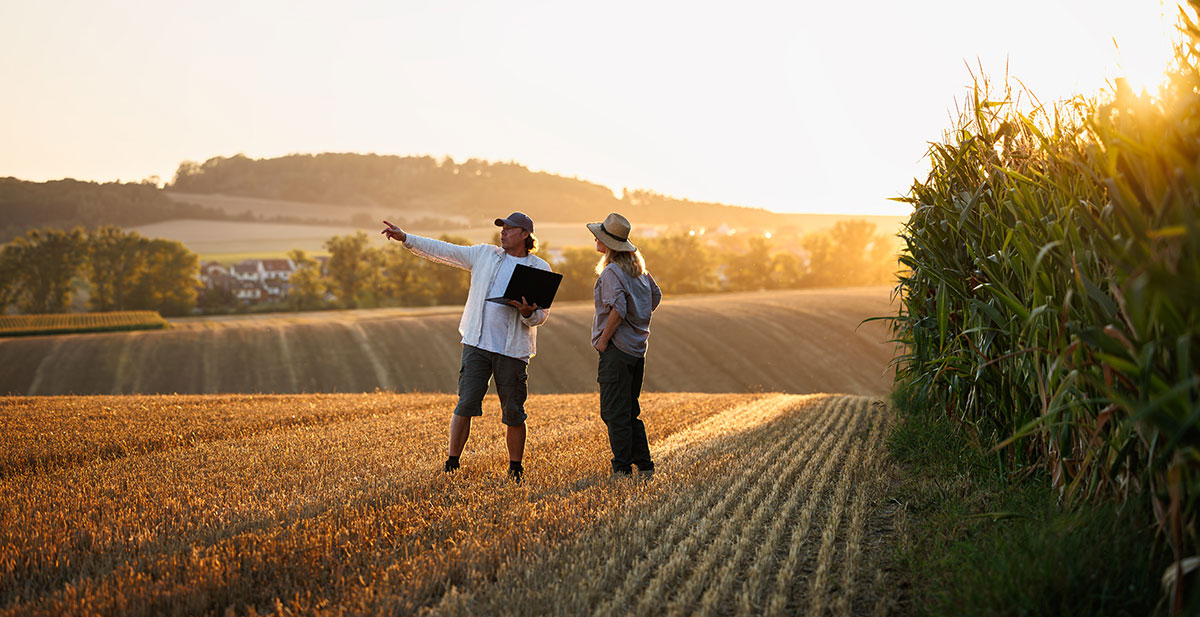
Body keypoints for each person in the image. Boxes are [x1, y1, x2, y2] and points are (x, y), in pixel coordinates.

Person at [381, 212, 551, 482]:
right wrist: (407, 238)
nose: (503, 232)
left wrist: (529, 313)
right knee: (465, 403)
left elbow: (541, 316)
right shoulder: (484, 254)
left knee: (514, 412)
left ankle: (516, 469)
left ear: (525, 235)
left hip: (513, 352)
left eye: (509, 229)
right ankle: (452, 463)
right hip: (476, 344)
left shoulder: (540, 268)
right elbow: (445, 251)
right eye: (502, 228)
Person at [587, 212, 662, 477]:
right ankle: (645, 466)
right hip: (637, 350)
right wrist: (639, 320)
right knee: (630, 411)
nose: (595, 238)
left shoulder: (611, 272)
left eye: (599, 235)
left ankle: (622, 469)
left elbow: (617, 308)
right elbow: (656, 295)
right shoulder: (639, 270)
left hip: (617, 351)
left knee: (613, 412)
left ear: (608, 243)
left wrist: (603, 341)